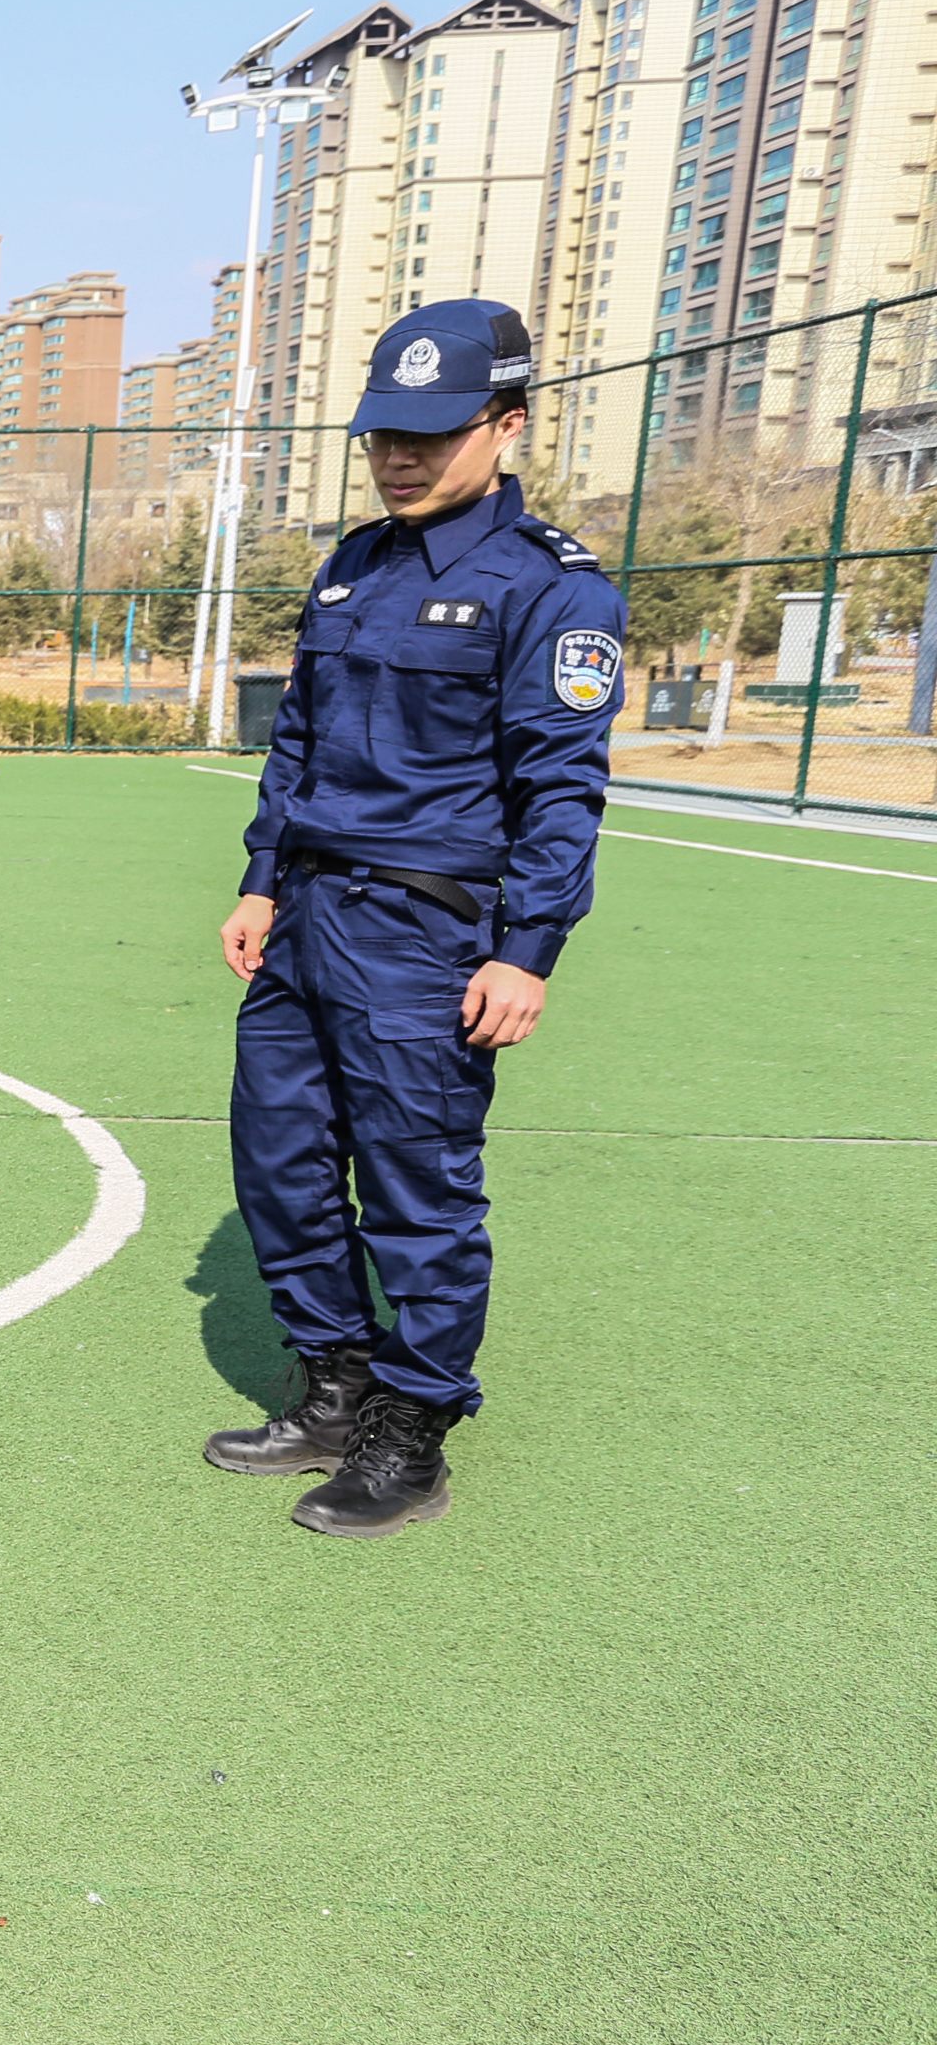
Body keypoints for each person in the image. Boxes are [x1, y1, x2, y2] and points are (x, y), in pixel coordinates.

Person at [209, 298, 624, 1540]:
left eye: (430, 435)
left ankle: (416, 1429)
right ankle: (335, 1384)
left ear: (505, 425)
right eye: (384, 431)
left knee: (416, 1188)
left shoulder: (550, 591)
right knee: (279, 1158)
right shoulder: (353, 565)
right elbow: (297, 741)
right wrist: (261, 875)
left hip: (428, 930)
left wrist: (525, 948)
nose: (399, 455)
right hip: (308, 915)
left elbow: (563, 788)